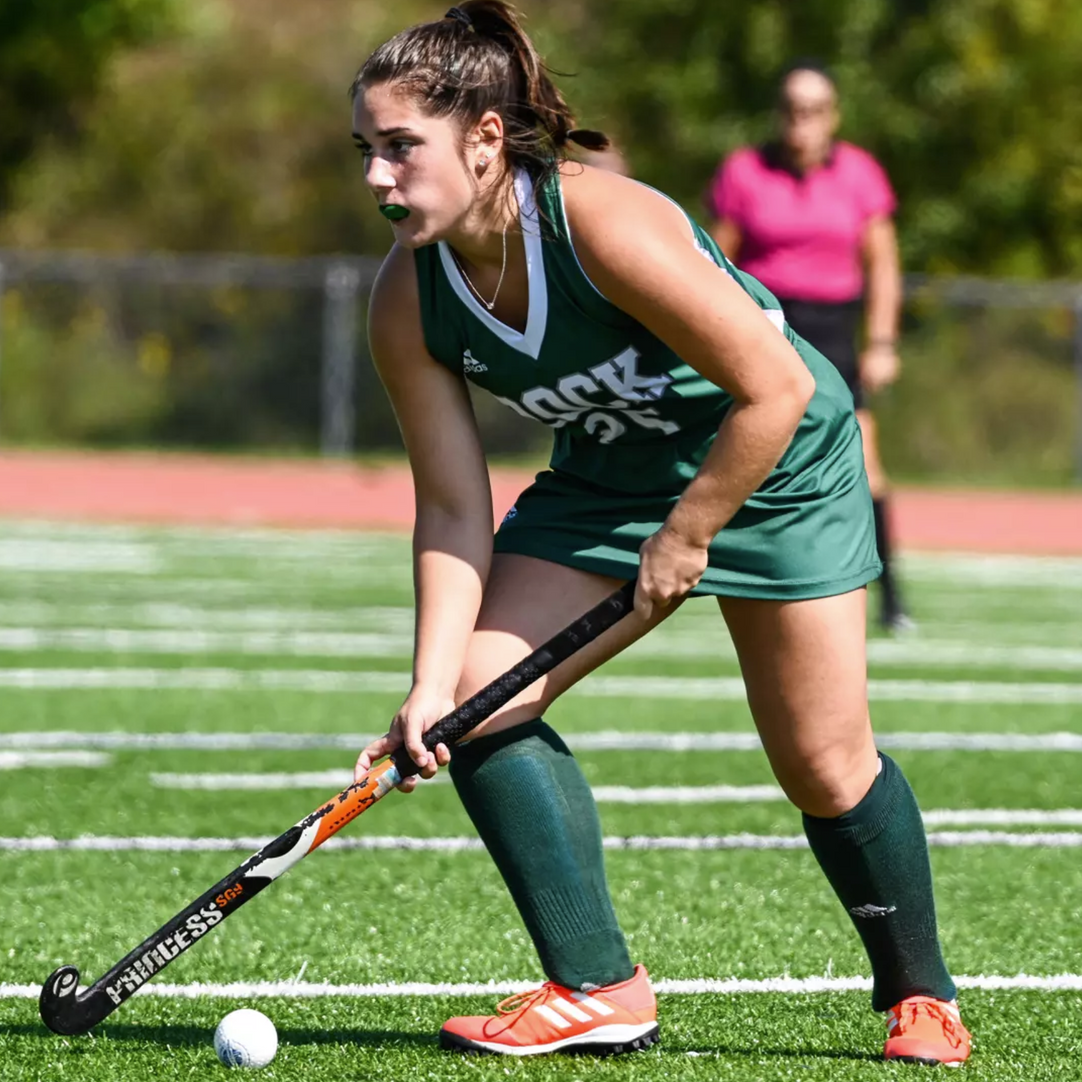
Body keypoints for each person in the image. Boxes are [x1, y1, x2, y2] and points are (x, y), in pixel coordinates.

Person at [349, 2, 969, 1065]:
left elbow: (775, 387)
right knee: (472, 704)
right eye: (364, 149)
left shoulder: (602, 224)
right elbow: (451, 507)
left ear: (485, 138)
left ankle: (921, 995)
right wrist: (427, 681)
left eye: (401, 146)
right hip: (609, 479)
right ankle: (596, 987)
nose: (376, 176)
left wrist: (688, 534)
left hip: (776, 463)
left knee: (822, 764)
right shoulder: (407, 298)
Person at [706, 62, 912, 633]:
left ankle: (890, 596)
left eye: (815, 111)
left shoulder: (860, 174)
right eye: (793, 110)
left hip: (833, 331)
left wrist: (882, 342)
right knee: (752, 454)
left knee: (865, 464)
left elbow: (883, 265)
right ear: (779, 114)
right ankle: (737, 578)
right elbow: (713, 266)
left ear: (833, 116)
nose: (803, 122)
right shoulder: (744, 172)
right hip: (766, 327)